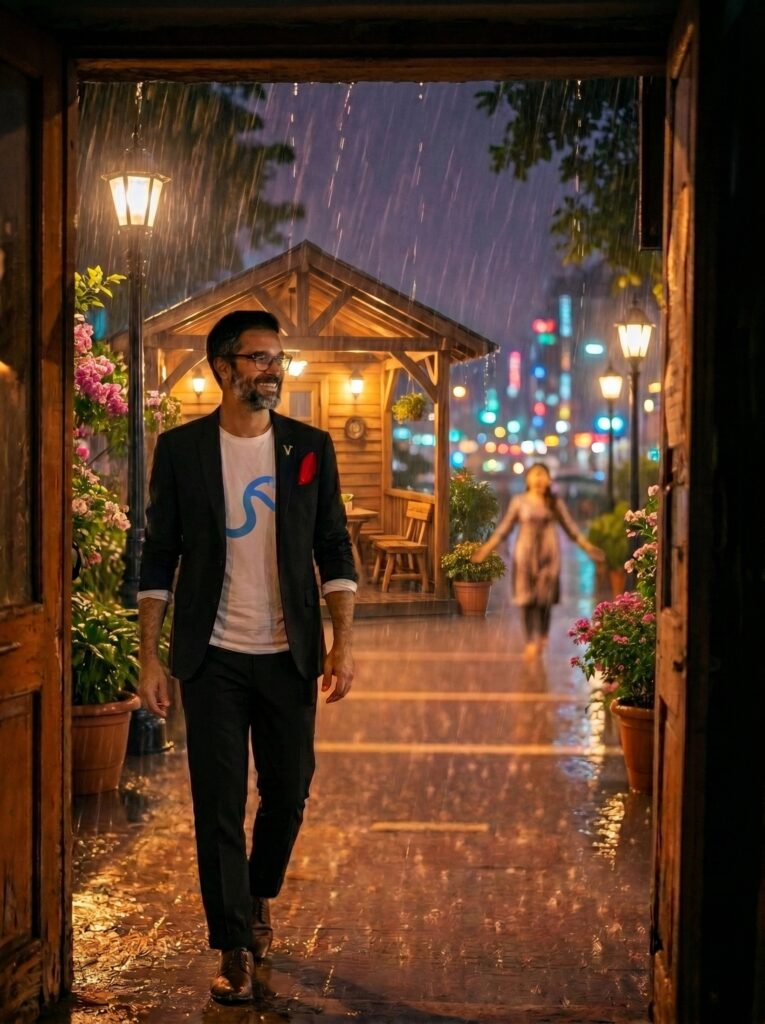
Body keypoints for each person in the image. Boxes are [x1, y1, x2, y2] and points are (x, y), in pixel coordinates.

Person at [137, 309, 357, 1004]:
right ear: (223, 368)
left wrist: (342, 640)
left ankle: (257, 893)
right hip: (213, 656)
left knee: (288, 794)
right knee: (217, 803)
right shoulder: (181, 451)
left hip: (288, 651)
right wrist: (149, 654)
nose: (272, 369)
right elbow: (157, 555)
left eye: (277, 358)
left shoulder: (309, 447)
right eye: (258, 358)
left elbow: (334, 546)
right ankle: (232, 941)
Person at [471, 462, 604, 660]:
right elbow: (504, 528)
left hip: (549, 558)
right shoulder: (519, 501)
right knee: (526, 600)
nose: (539, 478)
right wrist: (486, 549)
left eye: (543, 475)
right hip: (524, 557)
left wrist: (588, 548)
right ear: (527, 479)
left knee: (545, 600)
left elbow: (571, 529)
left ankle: (542, 636)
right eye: (535, 474)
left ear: (549, 480)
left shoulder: (554, 503)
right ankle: (530, 641)